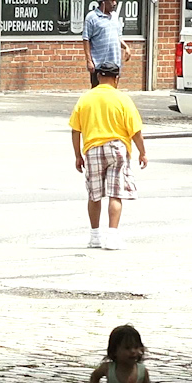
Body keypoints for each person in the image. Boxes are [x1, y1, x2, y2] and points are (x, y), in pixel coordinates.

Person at [69, 62, 147, 250]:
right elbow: (135, 131)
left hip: (93, 149)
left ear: (97, 77)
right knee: (115, 192)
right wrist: (142, 152)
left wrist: (78, 155)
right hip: (117, 148)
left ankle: (94, 236)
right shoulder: (123, 99)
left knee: (94, 194)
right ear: (116, 79)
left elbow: (75, 129)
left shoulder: (85, 99)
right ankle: (112, 236)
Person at [82, 0, 125, 88]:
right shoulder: (92, 17)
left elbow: (117, 36)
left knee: (113, 91)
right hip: (99, 64)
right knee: (97, 91)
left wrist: (126, 47)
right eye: (112, 1)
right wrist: (89, 61)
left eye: (115, 0)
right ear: (103, 2)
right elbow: (86, 39)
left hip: (114, 63)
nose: (115, 3)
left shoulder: (114, 16)